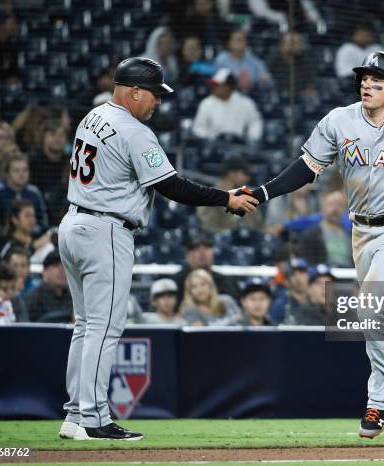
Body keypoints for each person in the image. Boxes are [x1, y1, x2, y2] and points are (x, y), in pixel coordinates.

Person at [229, 51, 384, 437]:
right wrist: (262, 192)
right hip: (361, 232)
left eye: (378, 80)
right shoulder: (339, 121)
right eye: (364, 78)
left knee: (370, 306)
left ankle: (380, 400)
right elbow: (305, 169)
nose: (368, 84)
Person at [57, 57, 257, 441]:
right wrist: (225, 199)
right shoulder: (134, 131)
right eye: (153, 94)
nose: (158, 103)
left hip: (74, 222)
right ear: (133, 91)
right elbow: (173, 186)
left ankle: (75, 416)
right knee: (103, 327)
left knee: (85, 326)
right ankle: (95, 419)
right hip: (106, 229)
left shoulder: (92, 116)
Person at [192, 68, 263, 144]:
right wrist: (208, 138)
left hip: (239, 146)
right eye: (213, 85)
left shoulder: (245, 103)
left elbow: (255, 122)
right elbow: (198, 128)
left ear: (228, 87)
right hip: (214, 147)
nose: (213, 88)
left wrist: (252, 138)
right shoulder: (206, 103)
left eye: (217, 85)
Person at [197, 156, 264, 232]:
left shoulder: (248, 195)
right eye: (245, 173)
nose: (248, 178)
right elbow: (208, 228)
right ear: (232, 174)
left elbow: (259, 226)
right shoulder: (210, 196)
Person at [173, 230, 241, 302]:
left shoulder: (227, 282)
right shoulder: (176, 283)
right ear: (187, 255)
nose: (202, 252)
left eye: (207, 248)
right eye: (196, 248)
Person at [295, 189, 352, 267]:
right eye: (331, 204)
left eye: (340, 205)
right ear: (322, 208)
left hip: (348, 276)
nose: (335, 209)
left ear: (345, 210)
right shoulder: (311, 234)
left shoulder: (350, 234)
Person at [0, 156, 49, 230]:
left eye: (25, 170)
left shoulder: (34, 192)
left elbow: (43, 221)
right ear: (7, 173)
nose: (21, 174)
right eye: (16, 170)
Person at [23, 251, 71, 323]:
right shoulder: (33, 298)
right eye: (55, 265)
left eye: (65, 266)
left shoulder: (73, 296)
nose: (62, 270)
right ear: (45, 271)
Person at [267, 31, 317, 97]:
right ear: (281, 45)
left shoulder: (306, 64)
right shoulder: (273, 63)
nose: (296, 46)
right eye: (291, 43)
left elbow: (310, 89)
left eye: (298, 43)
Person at [28, 119, 69, 195]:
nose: (57, 139)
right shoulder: (32, 162)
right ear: (43, 137)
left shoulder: (70, 163)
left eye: (61, 135)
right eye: (53, 134)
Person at [268, 257, 309, 324]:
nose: (298, 278)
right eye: (293, 274)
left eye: (302, 273)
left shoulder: (315, 301)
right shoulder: (280, 305)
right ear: (286, 281)